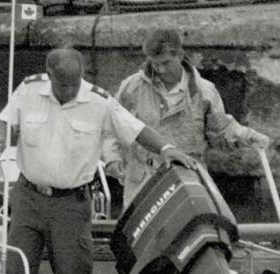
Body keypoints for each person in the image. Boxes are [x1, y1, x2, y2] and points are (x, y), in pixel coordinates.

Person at [0, 45, 190, 274]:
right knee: (17, 273)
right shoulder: (28, 90)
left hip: (70, 205)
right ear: (49, 75)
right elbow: (4, 120)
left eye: (75, 83)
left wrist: (166, 148)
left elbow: (135, 130)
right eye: (63, 85)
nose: (71, 90)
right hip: (27, 199)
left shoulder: (99, 101)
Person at [112, 28, 271, 200]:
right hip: (142, 185)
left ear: (180, 55)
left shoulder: (204, 91)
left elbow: (221, 132)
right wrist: (111, 159)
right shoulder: (131, 88)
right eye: (154, 64)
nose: (160, 70)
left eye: (166, 63)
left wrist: (248, 136)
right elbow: (111, 125)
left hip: (188, 182)